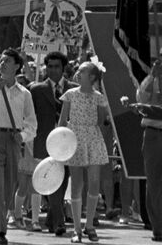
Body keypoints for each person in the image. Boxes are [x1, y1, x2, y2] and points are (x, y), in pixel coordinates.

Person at [0, 48, 37, 245]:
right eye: (0, 60)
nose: (2, 64)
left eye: (7, 61)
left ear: (17, 66)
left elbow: (32, 124)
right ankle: (0, 232)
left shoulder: (24, 93)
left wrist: (23, 136)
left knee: (10, 187)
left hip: (12, 140)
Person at [59, 61, 110, 243]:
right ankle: (77, 229)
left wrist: (97, 141)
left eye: (83, 71)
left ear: (93, 77)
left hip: (93, 139)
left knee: (94, 182)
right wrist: (61, 144)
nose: (78, 74)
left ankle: (89, 225)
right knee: (77, 184)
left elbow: (101, 121)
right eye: (79, 71)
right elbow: (62, 122)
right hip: (75, 139)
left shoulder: (99, 97)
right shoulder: (70, 95)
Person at [30, 51, 76, 236]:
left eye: (57, 66)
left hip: (68, 144)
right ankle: (59, 223)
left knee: (63, 182)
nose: (53, 70)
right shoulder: (36, 90)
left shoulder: (74, 89)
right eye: (49, 66)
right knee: (53, 180)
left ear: (63, 69)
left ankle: (51, 218)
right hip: (46, 143)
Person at [137, 57, 162, 242]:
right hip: (154, 133)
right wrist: (153, 76)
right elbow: (141, 98)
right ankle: (159, 228)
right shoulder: (152, 79)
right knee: (153, 182)